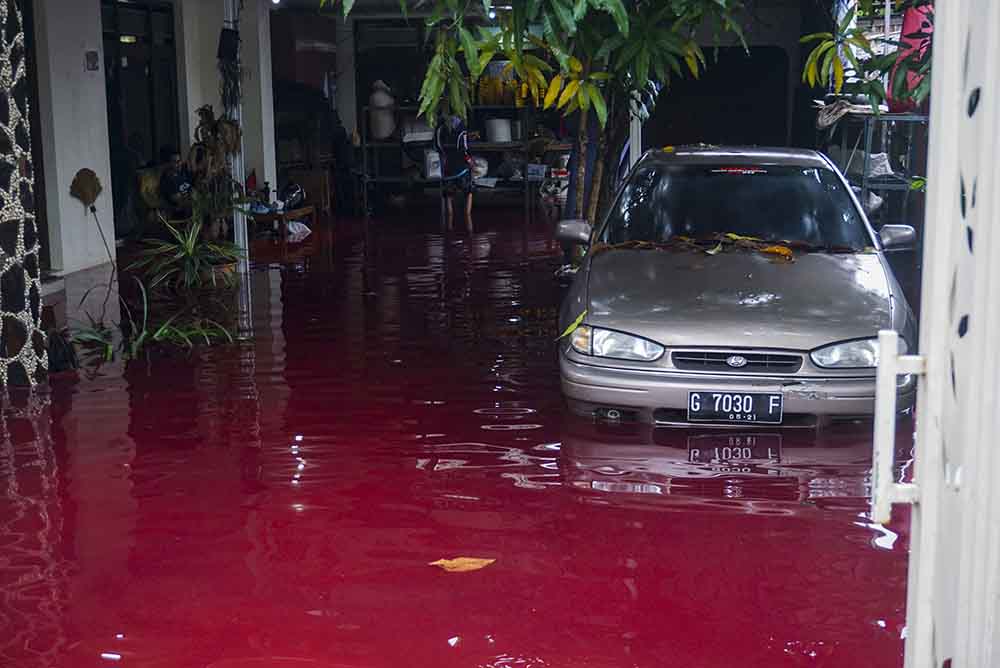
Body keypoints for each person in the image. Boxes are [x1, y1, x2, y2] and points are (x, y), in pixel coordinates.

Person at [435, 115, 474, 233]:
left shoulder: (440, 128)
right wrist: (470, 162)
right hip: (461, 167)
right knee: (469, 191)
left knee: (448, 193)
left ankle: (450, 222)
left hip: (447, 165)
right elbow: (465, 150)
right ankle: (468, 217)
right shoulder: (462, 131)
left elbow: (438, 146)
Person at [158, 147, 193, 219]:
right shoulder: (167, 180)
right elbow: (179, 202)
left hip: (191, 206)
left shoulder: (182, 172)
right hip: (179, 214)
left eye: (179, 161)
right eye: (175, 162)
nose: (179, 164)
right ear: (168, 164)